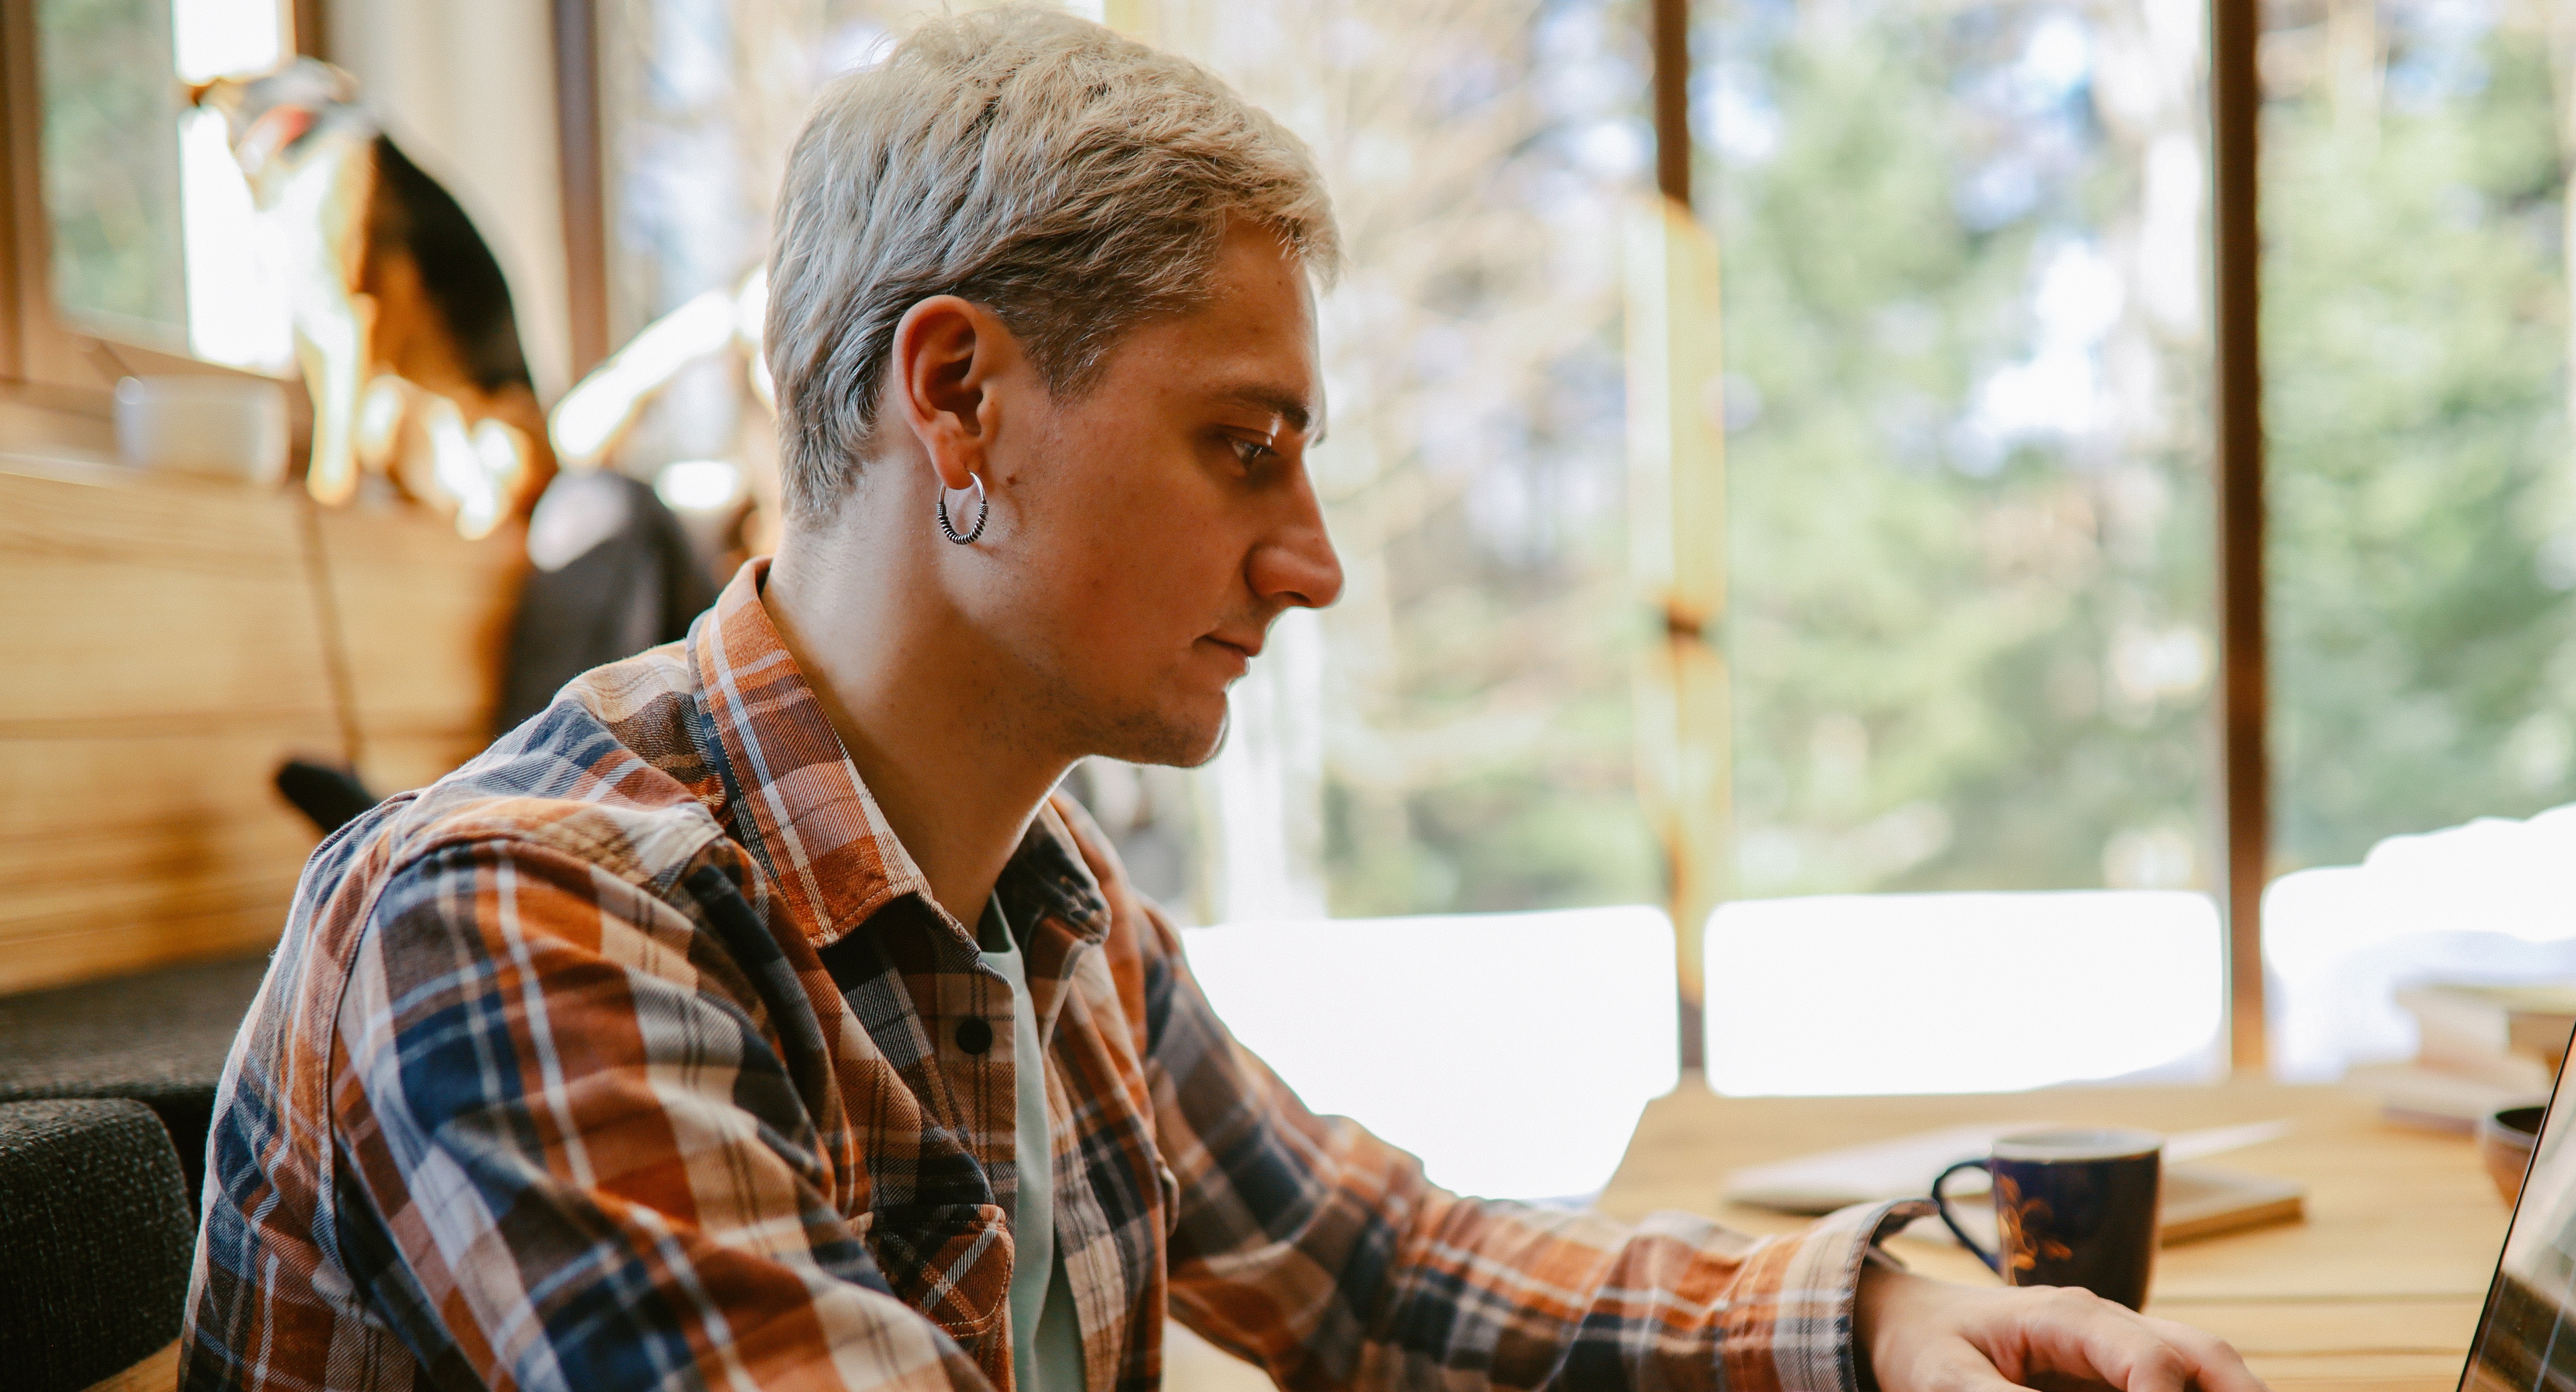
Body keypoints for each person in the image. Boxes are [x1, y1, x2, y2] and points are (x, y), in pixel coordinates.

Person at [181, 8, 2266, 1392]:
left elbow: (1376, 1268)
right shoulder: (517, 921)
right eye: (1245, 447)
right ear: (961, 395)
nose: (1316, 558)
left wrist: (1890, 1323)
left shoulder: (1041, 903)